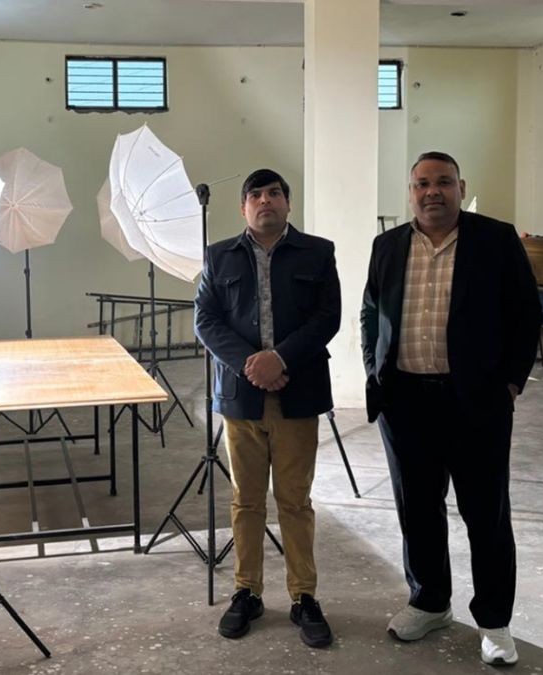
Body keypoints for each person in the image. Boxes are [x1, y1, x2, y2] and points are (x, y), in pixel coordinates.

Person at [360, 152, 541, 666]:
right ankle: (430, 602)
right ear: (410, 192)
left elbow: (526, 313)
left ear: (461, 187)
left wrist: (510, 383)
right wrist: (374, 370)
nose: (432, 191)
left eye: (443, 182)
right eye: (422, 183)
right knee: (417, 509)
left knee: (486, 514)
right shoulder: (388, 246)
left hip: (476, 403)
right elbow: (371, 311)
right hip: (405, 402)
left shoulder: (495, 240)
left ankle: (495, 622)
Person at [194, 168, 341, 648]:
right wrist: (251, 364)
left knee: (295, 500)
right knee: (246, 500)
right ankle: (247, 592)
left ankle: (304, 596)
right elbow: (206, 321)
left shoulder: (318, 252)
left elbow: (328, 317)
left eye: (274, 193)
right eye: (255, 195)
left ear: (287, 203)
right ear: (243, 208)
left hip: (298, 394)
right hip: (242, 398)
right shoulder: (218, 257)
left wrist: (280, 359)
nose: (265, 201)